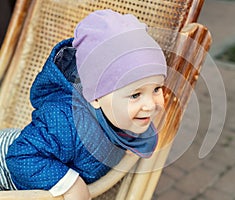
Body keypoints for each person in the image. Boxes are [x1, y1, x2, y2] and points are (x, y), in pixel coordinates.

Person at [0, 9, 167, 200]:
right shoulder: (64, 120)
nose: (151, 105)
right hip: (11, 166)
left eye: (156, 89)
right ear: (95, 97)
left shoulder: (120, 116)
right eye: (136, 95)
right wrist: (71, 184)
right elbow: (20, 157)